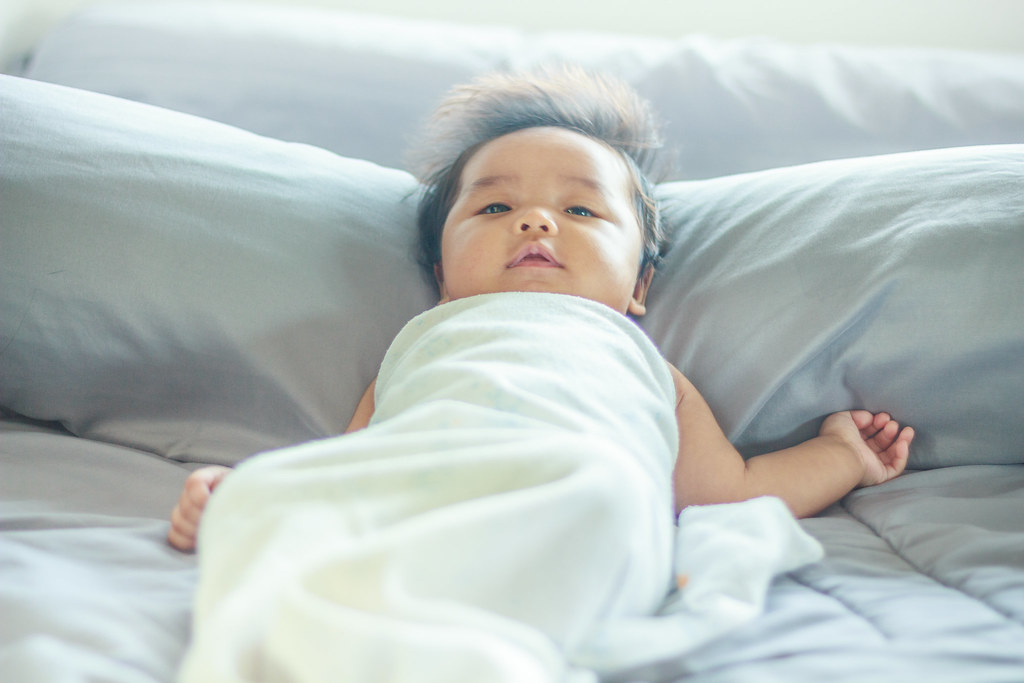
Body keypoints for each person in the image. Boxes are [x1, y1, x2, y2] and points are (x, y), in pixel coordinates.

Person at [168, 67, 914, 553]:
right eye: (495, 204)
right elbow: (352, 465)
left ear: (639, 287)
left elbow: (728, 493)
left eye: (582, 210)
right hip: (424, 514)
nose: (535, 222)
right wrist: (254, 495)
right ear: (442, 273)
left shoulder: (641, 361)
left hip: (587, 509)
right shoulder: (424, 339)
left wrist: (841, 456)